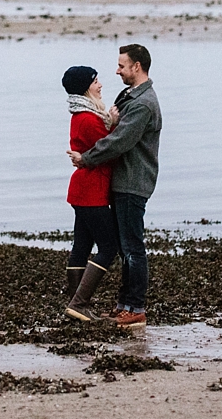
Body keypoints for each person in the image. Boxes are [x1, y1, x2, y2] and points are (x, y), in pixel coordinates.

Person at [68, 44, 161, 330]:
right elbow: (113, 130)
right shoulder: (131, 95)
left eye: (122, 65)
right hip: (120, 182)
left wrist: (86, 159)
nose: (117, 70)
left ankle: (135, 308)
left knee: (132, 248)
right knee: (123, 248)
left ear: (137, 66)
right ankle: (123, 305)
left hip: (133, 182)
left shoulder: (144, 103)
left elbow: (119, 141)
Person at [61, 65, 120, 322]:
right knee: (109, 246)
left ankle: (75, 305)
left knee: (82, 245)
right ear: (86, 87)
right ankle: (79, 303)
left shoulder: (82, 113)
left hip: (82, 190)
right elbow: (110, 147)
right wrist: (116, 124)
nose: (100, 85)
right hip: (91, 190)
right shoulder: (88, 118)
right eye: (96, 81)